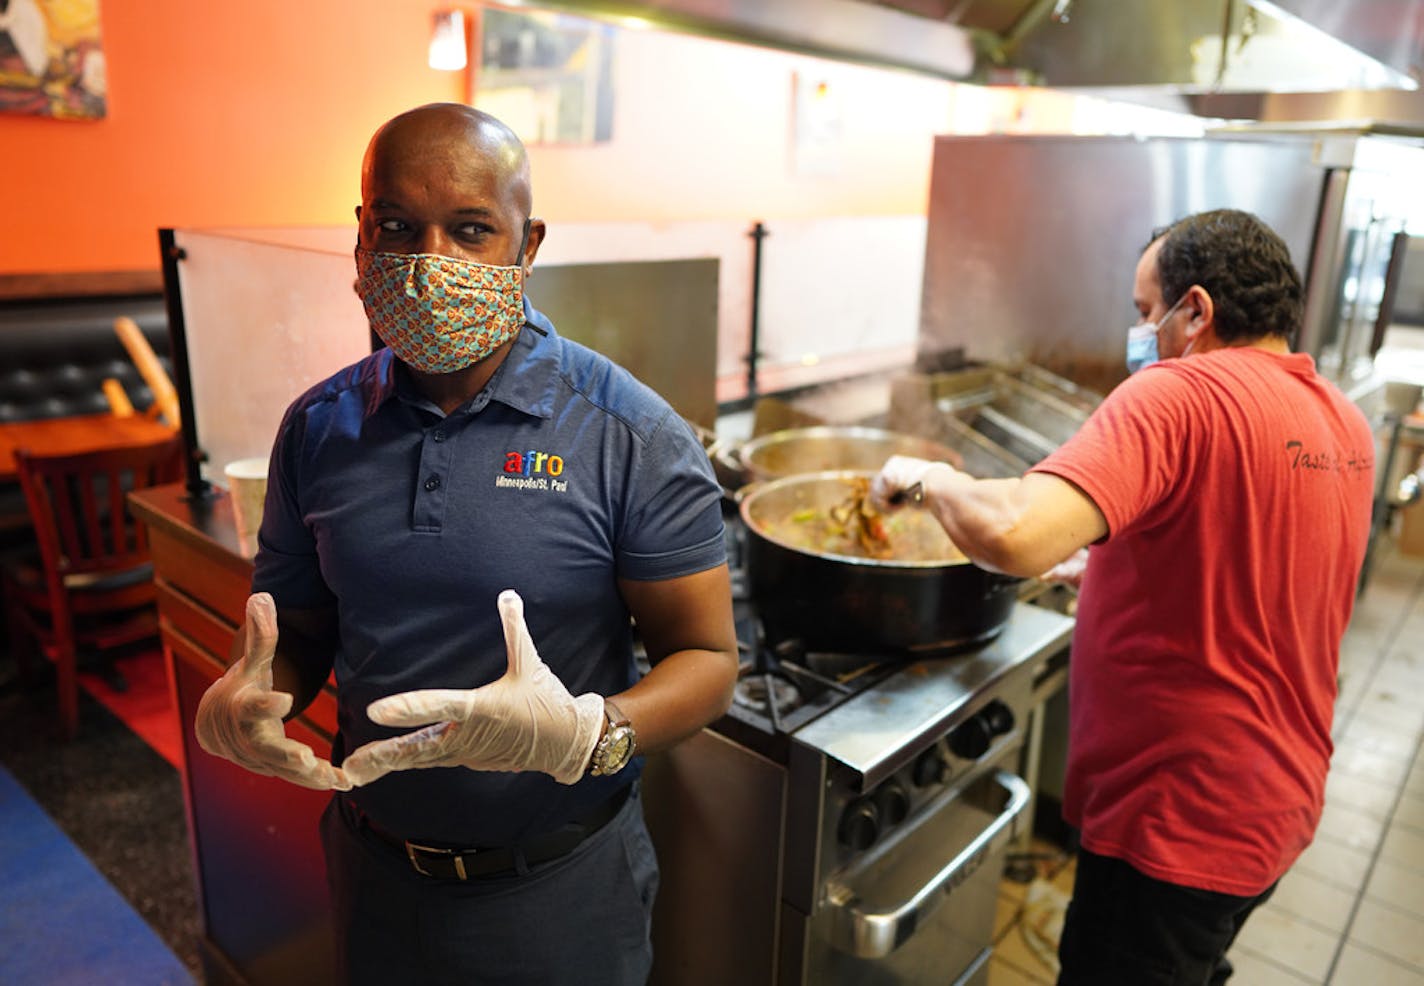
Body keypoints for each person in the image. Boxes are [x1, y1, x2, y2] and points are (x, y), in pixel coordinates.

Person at [193, 102, 739, 986]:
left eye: (472, 229)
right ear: (361, 235)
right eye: (399, 228)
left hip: (558, 890)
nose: (428, 263)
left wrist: (591, 735)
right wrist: (257, 696)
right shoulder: (318, 430)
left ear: (528, 246)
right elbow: (295, 630)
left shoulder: (628, 433)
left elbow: (709, 659)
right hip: (374, 871)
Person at [871, 209, 1374, 985]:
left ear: (1196, 311)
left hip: (1177, 818)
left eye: (1146, 312)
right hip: (1279, 800)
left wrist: (926, 476)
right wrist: (1106, 568)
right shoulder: (1339, 420)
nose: (1141, 333)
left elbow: (1012, 531)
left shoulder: (1180, 393)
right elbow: (1255, 568)